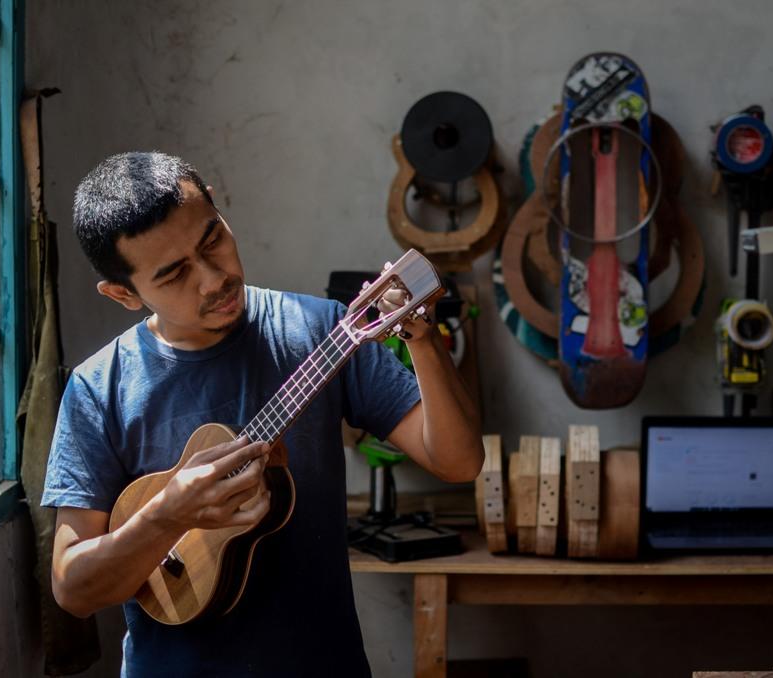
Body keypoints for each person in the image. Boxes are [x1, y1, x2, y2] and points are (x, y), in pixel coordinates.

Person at [42, 151, 484, 677]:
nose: (212, 279)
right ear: (124, 294)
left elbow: (458, 462)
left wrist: (423, 341)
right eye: (175, 274)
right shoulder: (99, 388)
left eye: (212, 241)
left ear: (221, 213)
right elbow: (73, 589)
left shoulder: (323, 333)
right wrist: (168, 516)